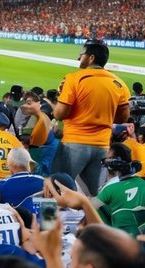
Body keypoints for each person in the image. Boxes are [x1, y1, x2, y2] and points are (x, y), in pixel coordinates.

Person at [51, 39, 131, 194]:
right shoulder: (118, 83)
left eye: (81, 55)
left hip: (74, 143)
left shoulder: (74, 78)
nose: (78, 58)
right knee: (94, 194)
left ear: (91, 58)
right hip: (102, 146)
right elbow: (122, 118)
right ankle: (94, 219)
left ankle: (48, 219)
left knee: (55, 190)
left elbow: (61, 113)